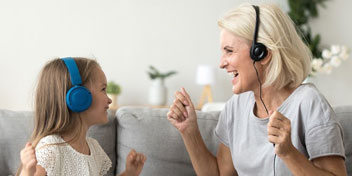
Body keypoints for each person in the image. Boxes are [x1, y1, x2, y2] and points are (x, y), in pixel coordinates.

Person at [167, 3, 347, 176]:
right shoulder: (235, 108)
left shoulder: (310, 103)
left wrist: (289, 153)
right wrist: (189, 131)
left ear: (261, 53)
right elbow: (221, 173)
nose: (222, 63)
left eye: (229, 51)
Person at [18, 57, 146, 176]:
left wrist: (129, 173)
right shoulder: (51, 149)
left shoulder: (94, 148)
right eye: (103, 89)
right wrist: (26, 172)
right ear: (79, 97)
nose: (109, 100)